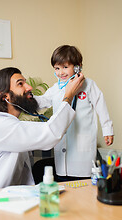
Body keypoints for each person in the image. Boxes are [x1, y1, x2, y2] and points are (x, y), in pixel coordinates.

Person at [0, 67, 84, 190]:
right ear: (4, 96)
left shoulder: (13, 124)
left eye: (26, 82)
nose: (29, 87)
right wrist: (69, 95)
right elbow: (50, 134)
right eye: (20, 84)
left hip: (8, 198)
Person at [35, 45, 114, 182]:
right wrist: (27, 99)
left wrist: (107, 129)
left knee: (83, 182)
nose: (61, 72)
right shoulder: (57, 88)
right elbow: (43, 101)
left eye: (65, 67)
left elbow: (101, 106)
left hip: (83, 148)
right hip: (63, 149)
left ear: (78, 67)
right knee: (63, 180)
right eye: (57, 68)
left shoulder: (88, 85)